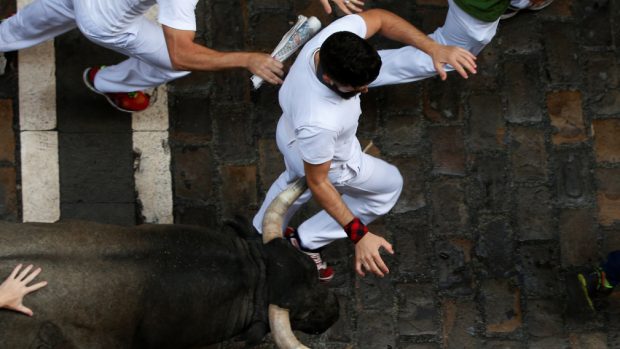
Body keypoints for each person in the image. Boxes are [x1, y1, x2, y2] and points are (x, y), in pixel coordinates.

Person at [251, 0, 517, 283]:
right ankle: (304, 242)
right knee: (387, 188)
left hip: (288, 131)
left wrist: (434, 48)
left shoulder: (333, 40)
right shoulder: (320, 122)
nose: (365, 90)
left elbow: (379, 19)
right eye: (356, 88)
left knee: (293, 183)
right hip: (329, 158)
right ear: (329, 78)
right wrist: (359, 236)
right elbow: (319, 182)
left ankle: (259, 237)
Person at [0, 0, 348, 113]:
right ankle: (107, 82)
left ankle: (4, 37)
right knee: (173, 64)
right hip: (105, 21)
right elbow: (182, 54)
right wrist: (247, 60)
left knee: (52, 9)